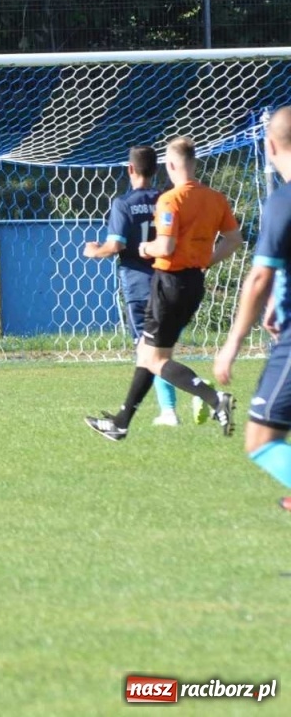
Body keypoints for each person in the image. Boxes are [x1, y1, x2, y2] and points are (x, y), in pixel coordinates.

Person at [86, 136, 243, 440]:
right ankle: (121, 422)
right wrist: (206, 261)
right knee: (149, 354)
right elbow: (234, 240)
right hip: (194, 283)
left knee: (154, 359)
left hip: (168, 284)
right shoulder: (215, 198)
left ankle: (213, 399)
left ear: (170, 165)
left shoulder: (170, 200)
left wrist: (145, 247)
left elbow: (165, 245)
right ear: (193, 163)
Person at [80, 145, 201, 426]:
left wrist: (94, 250)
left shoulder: (123, 203)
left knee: (149, 354)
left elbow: (116, 245)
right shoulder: (166, 199)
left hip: (137, 287)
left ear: (130, 169)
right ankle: (172, 406)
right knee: (159, 351)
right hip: (170, 282)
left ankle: (189, 395)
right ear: (157, 169)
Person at [214, 106, 291, 511]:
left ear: (271, 145)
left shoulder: (283, 202)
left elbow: (259, 277)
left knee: (261, 441)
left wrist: (232, 343)